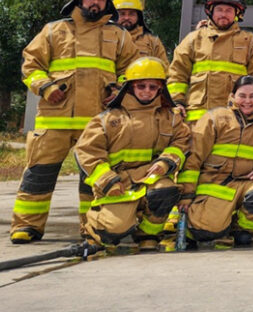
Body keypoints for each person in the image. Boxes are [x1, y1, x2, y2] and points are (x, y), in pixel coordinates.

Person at [11, 0, 138, 244]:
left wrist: (117, 90)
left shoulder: (118, 35)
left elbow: (132, 70)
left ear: (108, 5)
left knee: (92, 179)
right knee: (38, 175)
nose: (95, 3)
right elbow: (31, 64)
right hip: (53, 121)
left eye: (101, 0)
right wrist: (45, 87)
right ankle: (27, 226)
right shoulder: (54, 30)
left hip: (96, 124)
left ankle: (90, 228)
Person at [75, 57, 189, 252]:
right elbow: (87, 151)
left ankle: (148, 234)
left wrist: (167, 161)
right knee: (112, 232)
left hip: (150, 179)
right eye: (141, 86)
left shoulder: (170, 118)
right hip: (118, 183)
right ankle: (94, 230)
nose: (147, 91)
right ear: (129, 87)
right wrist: (107, 181)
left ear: (160, 90)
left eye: (153, 87)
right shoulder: (108, 119)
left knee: (166, 191)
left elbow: (182, 141)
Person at [178, 75, 253, 248]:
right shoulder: (215, 118)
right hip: (215, 186)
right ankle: (209, 223)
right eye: (242, 96)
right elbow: (193, 158)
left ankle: (243, 230)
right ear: (233, 95)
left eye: (252, 96)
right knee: (205, 233)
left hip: (246, 185)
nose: (247, 101)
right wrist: (186, 195)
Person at [168, 0, 253, 123]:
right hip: (195, 120)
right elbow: (177, 74)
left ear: (237, 14)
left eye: (229, 11)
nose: (223, 14)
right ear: (211, 12)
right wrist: (177, 101)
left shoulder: (251, 43)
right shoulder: (193, 39)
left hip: (234, 120)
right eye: (219, 10)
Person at [113, 0, 168, 65]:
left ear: (139, 16)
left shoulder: (153, 42)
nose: (126, 18)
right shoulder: (106, 38)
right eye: (122, 14)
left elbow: (164, 70)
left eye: (131, 14)